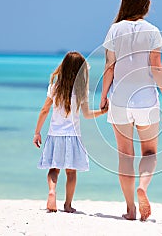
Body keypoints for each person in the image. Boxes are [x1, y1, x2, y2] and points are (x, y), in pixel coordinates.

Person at [100, 0, 162, 221]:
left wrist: (103, 96)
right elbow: (156, 66)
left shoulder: (114, 30)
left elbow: (109, 67)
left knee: (125, 155)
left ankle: (130, 208)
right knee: (150, 151)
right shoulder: (153, 30)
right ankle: (143, 186)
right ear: (146, 5)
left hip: (120, 99)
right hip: (146, 101)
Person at [33, 51, 107, 213]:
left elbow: (45, 110)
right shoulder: (81, 92)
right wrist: (102, 112)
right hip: (73, 137)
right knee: (71, 172)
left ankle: (52, 191)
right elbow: (87, 115)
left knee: (53, 169)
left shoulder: (55, 87)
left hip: (55, 135)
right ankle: (67, 205)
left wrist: (37, 132)